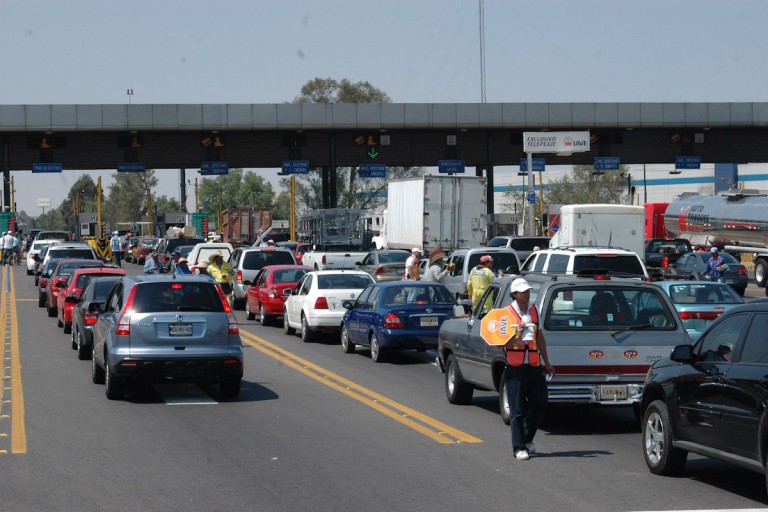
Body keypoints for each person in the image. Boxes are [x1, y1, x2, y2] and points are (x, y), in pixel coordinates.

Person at [503, 278, 555, 461]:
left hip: (534, 366)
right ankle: (519, 448)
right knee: (516, 410)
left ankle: (525, 438)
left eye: (528, 291)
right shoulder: (506, 314)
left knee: (541, 404)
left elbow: (539, 338)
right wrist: (513, 338)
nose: (527, 293)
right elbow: (497, 342)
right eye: (523, 291)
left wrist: (547, 363)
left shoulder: (535, 310)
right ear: (515, 294)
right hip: (515, 368)